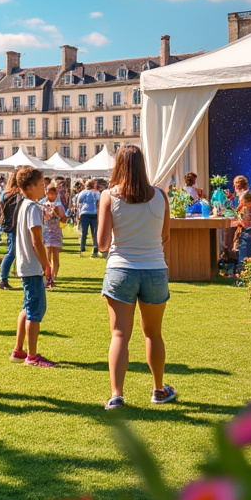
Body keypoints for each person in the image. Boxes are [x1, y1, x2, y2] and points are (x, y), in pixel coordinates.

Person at [97, 145, 175, 410]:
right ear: (143, 166)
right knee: (153, 333)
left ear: (118, 166)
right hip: (154, 267)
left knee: (119, 335)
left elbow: (102, 243)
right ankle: (158, 390)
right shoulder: (160, 196)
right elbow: (165, 236)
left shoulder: (109, 196)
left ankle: (117, 395)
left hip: (121, 269)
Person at [9, 165, 56, 368]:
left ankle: (19, 350)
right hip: (32, 265)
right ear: (31, 186)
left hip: (24, 264)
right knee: (35, 310)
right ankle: (32, 355)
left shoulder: (25, 206)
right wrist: (46, 265)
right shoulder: (33, 208)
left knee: (27, 308)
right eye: (41, 183)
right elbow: (37, 240)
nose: (44, 186)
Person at [0, 170, 22, 292]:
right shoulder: (17, 195)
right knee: (12, 252)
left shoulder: (4, 194)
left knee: (12, 252)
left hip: (9, 225)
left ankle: (4, 277)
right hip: (16, 225)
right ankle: (3, 278)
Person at [40, 182, 68, 288]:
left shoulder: (58, 205)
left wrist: (56, 214)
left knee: (55, 255)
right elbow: (41, 218)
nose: (50, 195)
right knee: (47, 255)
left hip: (56, 232)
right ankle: (48, 276)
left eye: (53, 193)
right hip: (46, 231)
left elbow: (64, 219)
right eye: (49, 193)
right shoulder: (43, 204)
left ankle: (53, 277)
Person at [232, 191, 251, 274]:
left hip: (249, 236)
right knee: (247, 256)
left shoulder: (249, 210)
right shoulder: (250, 210)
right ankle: (246, 274)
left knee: (246, 257)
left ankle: (244, 275)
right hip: (250, 236)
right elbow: (246, 223)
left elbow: (245, 223)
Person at [75, 178, 101, 257]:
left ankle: (82, 248)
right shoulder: (97, 193)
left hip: (84, 213)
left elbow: (78, 203)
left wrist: (78, 214)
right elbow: (98, 204)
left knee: (83, 232)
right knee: (95, 233)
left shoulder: (82, 193)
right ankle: (95, 249)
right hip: (94, 214)